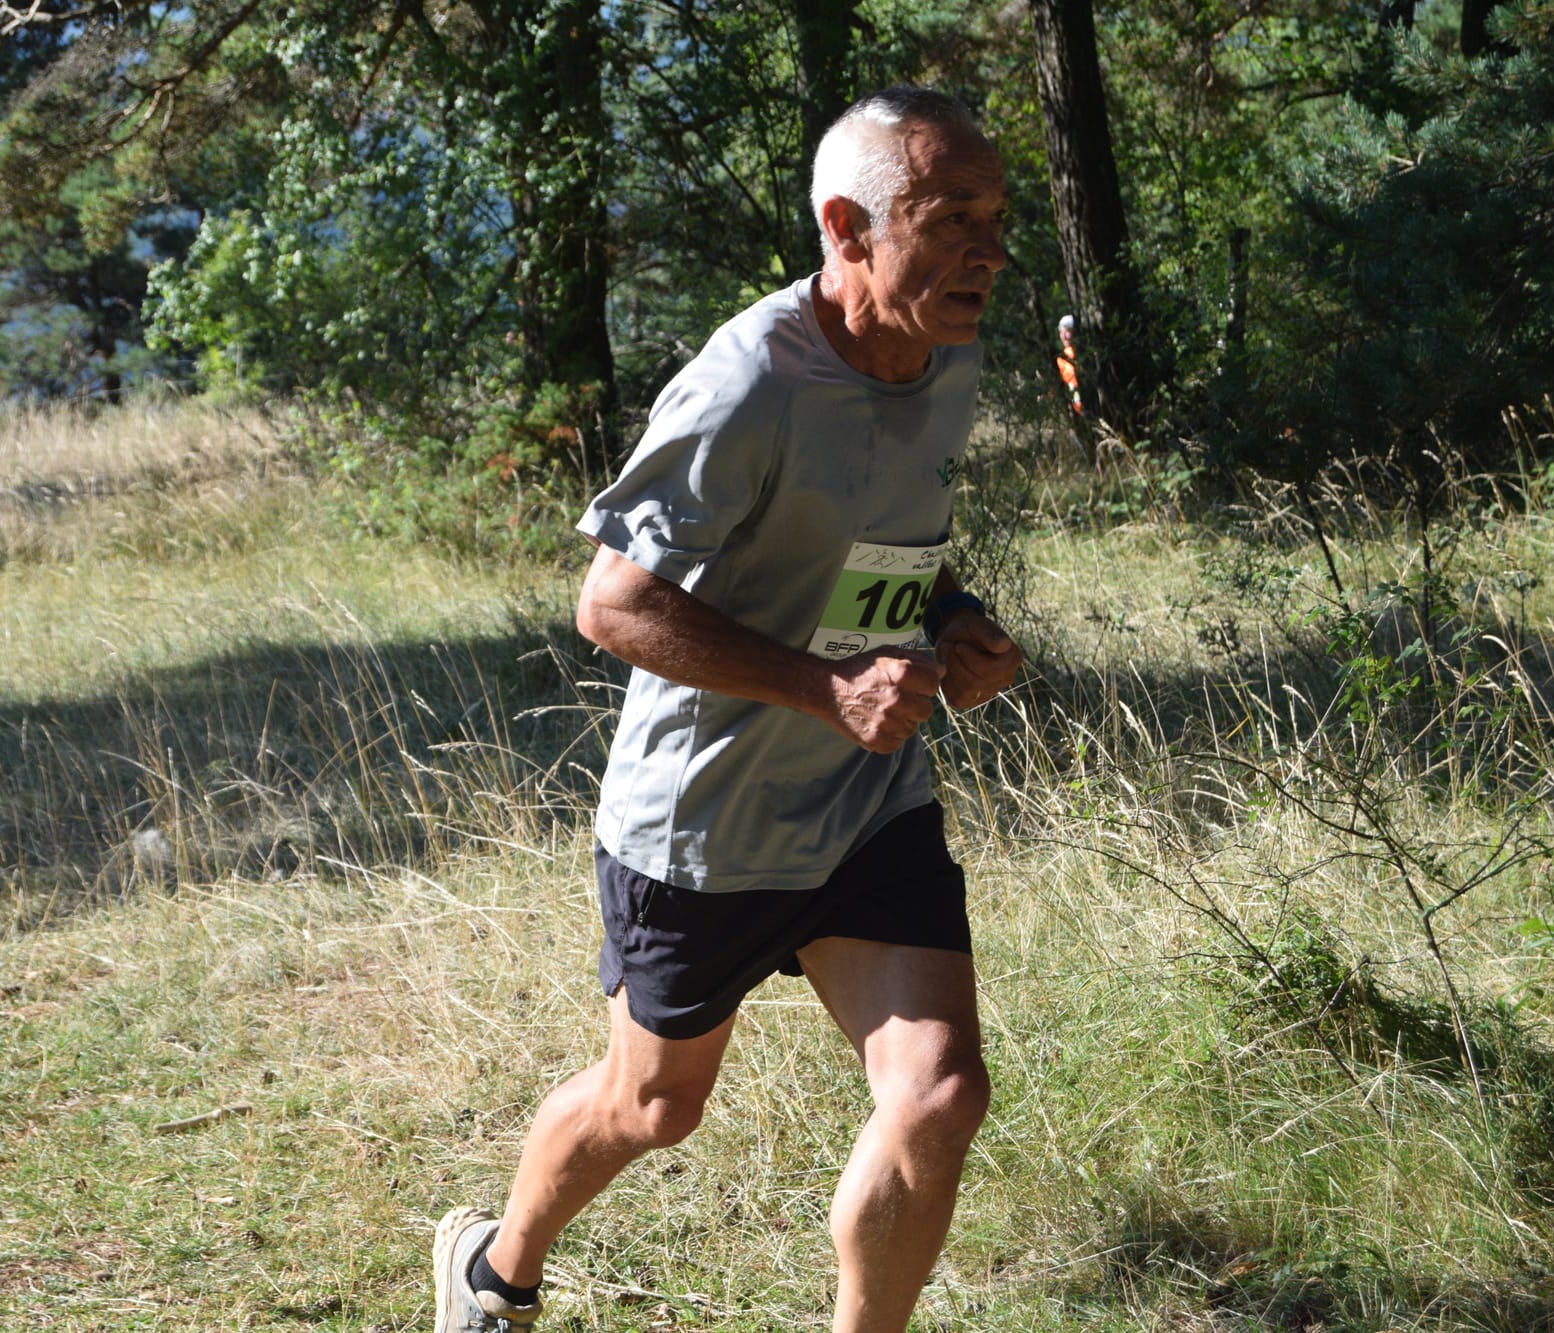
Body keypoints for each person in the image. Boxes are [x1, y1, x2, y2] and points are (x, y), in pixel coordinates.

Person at [433, 86, 1023, 1333]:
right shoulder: (751, 380)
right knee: (652, 1106)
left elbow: (889, 538)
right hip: (706, 824)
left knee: (938, 1093)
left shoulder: (947, 352)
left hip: (863, 803)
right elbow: (612, 604)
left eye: (995, 217)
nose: (988, 249)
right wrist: (825, 688)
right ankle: (493, 1272)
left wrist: (951, 619)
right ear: (846, 227)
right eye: (950, 217)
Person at [1055, 313, 1082, 415]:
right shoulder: (1060, 358)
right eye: (1061, 332)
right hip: (1073, 406)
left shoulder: (1081, 353)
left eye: (1067, 331)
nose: (1064, 336)